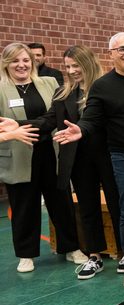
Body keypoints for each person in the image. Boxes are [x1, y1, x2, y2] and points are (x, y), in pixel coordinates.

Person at [54, 32, 124, 288]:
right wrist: (80, 130)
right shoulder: (103, 86)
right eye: (122, 49)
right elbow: (92, 118)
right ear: (111, 54)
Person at [1, 42, 83, 273]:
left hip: (51, 152)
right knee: (23, 206)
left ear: (33, 62)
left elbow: (57, 115)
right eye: (15, 60)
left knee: (62, 202)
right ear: (7, 63)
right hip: (18, 155)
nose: (21, 65)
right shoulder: (1, 89)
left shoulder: (50, 83)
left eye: (26, 60)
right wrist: (11, 132)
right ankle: (26, 255)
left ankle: (71, 248)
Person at [46, 45, 122, 279]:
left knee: (117, 204)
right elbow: (48, 120)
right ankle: (95, 255)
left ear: (87, 63)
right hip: (79, 159)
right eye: (67, 66)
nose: (71, 71)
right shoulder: (63, 93)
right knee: (88, 208)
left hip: (109, 155)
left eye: (76, 65)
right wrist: (19, 126)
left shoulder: (107, 87)